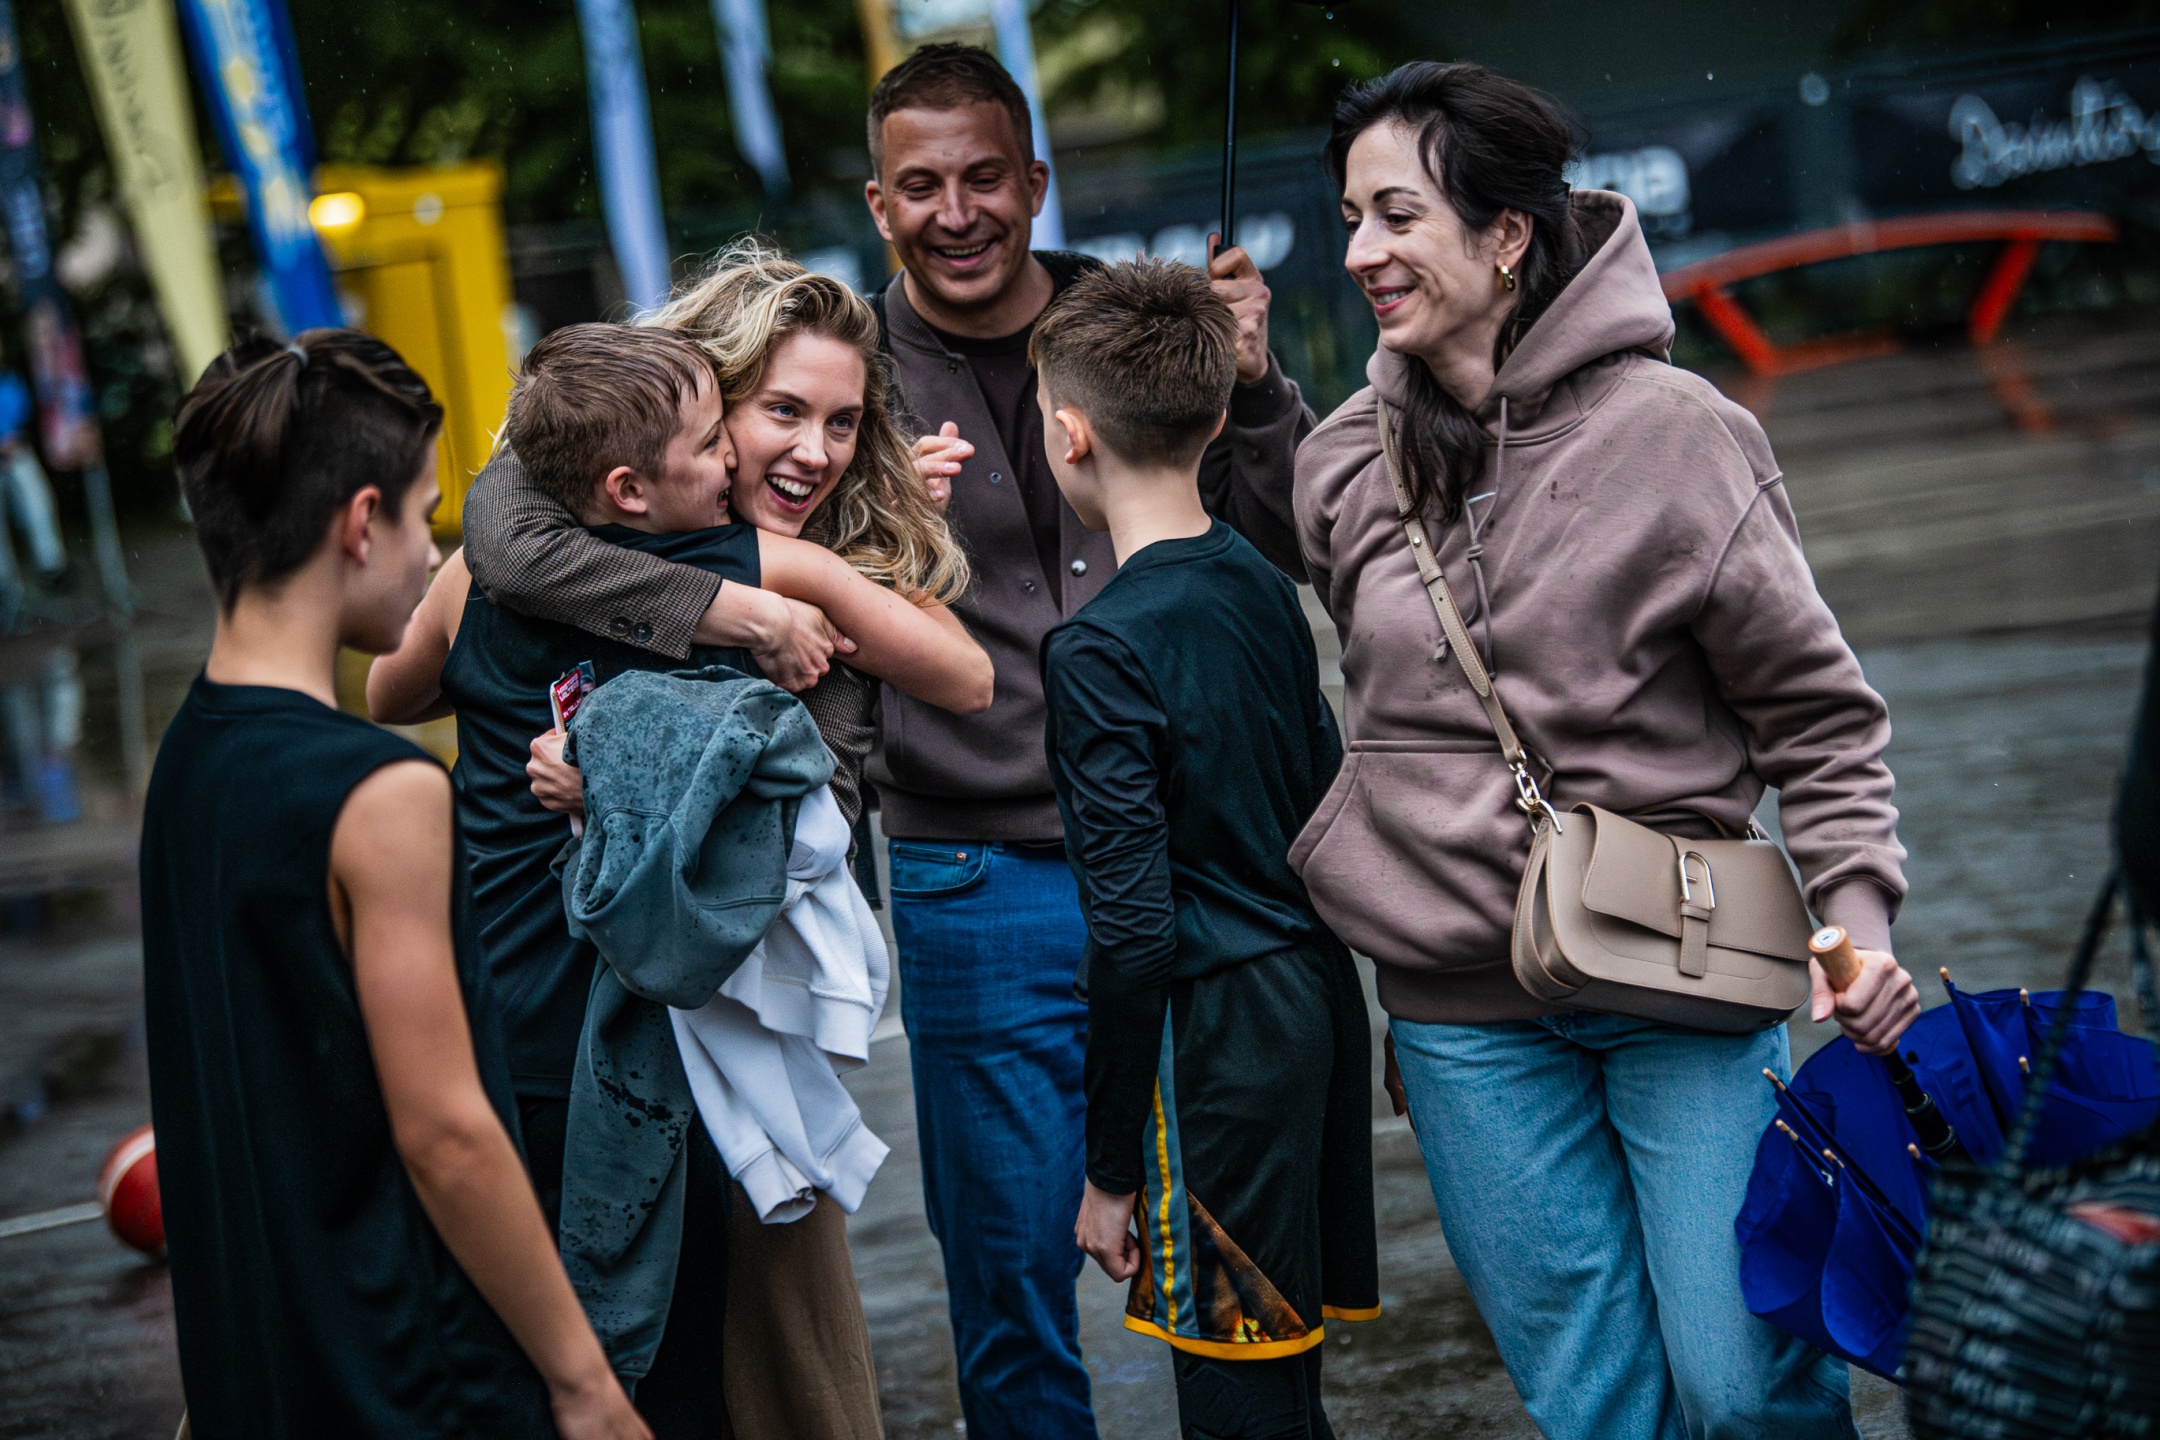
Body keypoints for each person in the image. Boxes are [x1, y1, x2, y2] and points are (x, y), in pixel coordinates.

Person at [455, 46, 1308, 1437]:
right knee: (1008, 1288)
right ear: (877, 200)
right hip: (979, 867)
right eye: (922, 186)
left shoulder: (1129, 324)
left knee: (1234, 1270)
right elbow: (510, 510)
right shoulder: (825, 364)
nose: (957, 212)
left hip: (1190, 855)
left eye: (986, 178)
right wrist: (738, 601)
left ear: (1037, 179)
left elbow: (1289, 538)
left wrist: (1255, 389)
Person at [1291, 63, 1923, 1440]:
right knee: (1596, 1405)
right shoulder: (1342, 461)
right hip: (1461, 1017)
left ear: (1505, 233)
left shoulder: (1683, 437)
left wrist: (1859, 924)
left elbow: (1818, 718)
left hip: (1684, 972)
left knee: (1744, 1387)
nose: (1358, 254)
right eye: (1348, 219)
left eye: (1396, 215)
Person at [370, 321, 985, 1436]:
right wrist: (854, 557)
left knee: (526, 1347)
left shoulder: (478, 572)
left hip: (498, 1016)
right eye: (726, 435)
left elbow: (388, 691)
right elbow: (964, 676)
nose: (740, 459)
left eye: (842, 423)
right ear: (630, 482)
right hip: (655, 1043)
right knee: (672, 1354)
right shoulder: (754, 568)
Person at [141, 330, 648, 1440]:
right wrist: (585, 1385)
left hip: (260, 1362)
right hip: (409, 1371)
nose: (434, 551)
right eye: (425, 516)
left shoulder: (188, 758)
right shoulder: (382, 794)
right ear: (360, 522)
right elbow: (448, 1134)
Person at [1039, 262, 1375, 1440]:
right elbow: (1333, 816)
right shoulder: (1261, 586)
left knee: (1238, 1395)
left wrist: (1109, 1169)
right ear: (1219, 417)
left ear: (1071, 435)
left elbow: (1134, 933)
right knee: (1286, 1379)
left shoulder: (1096, 652)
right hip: (1314, 1013)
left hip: (1215, 1053)